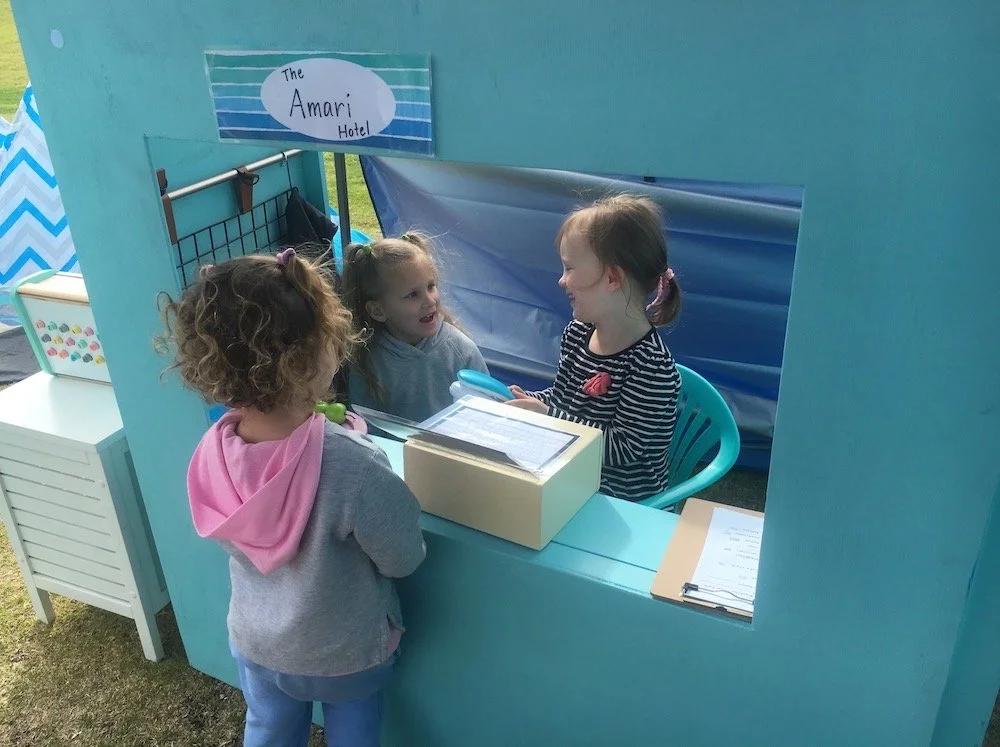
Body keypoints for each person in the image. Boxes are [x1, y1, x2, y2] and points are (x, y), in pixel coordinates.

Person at [157, 248, 425, 747]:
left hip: (258, 644)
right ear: (312, 356)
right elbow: (404, 557)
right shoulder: (356, 464)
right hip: (346, 655)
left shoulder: (214, 448)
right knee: (354, 733)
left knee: (269, 732)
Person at [506, 195, 682, 502]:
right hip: (571, 476)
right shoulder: (577, 334)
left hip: (622, 501)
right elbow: (563, 399)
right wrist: (528, 401)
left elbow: (623, 448)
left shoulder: (652, 366)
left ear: (612, 278)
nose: (562, 281)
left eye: (569, 268)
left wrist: (549, 416)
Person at [342, 232, 488, 422]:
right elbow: (362, 424)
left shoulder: (461, 351)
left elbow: (487, 411)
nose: (430, 301)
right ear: (378, 311)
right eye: (413, 295)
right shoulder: (367, 361)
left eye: (431, 286)